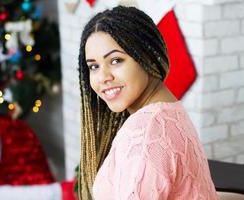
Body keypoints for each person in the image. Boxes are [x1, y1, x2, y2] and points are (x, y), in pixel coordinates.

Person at [78, 6, 218, 200]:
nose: (102, 77)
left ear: (147, 57)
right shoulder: (168, 111)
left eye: (116, 60)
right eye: (93, 66)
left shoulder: (145, 134)